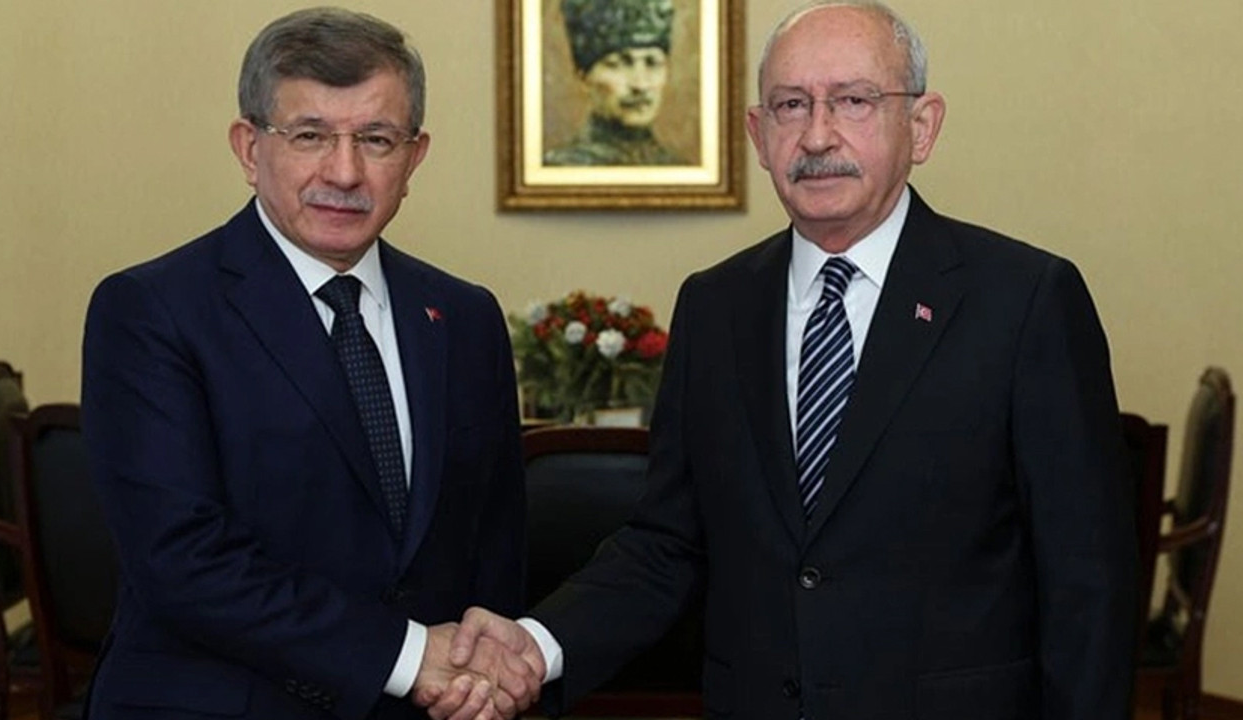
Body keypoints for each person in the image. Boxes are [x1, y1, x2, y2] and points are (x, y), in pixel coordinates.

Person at [440, 1, 1137, 718]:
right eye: (791, 105)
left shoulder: (1025, 301)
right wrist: (538, 646)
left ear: (922, 126)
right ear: (758, 134)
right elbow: (668, 542)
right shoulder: (715, 306)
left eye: (854, 101)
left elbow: (1088, 578)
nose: (817, 134)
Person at [81, 8, 536, 720]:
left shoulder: (464, 316)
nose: (344, 172)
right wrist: (408, 657)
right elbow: (182, 560)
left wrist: (481, 679)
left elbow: (495, 547)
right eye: (309, 136)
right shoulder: (151, 311)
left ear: (414, 157)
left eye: (376, 140)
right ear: (248, 148)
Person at [544, 0, 685, 166]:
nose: (640, 85)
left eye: (652, 63)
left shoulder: (679, 169)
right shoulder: (560, 168)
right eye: (618, 64)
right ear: (584, 79)